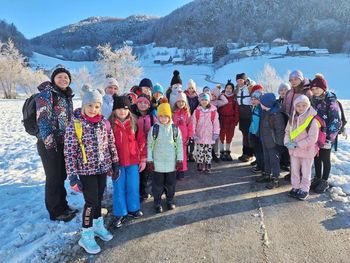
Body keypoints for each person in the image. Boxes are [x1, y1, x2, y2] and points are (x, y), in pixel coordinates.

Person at [64, 84, 118, 254]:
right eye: (90, 106)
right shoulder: (76, 124)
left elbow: (111, 144)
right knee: (91, 202)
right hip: (86, 171)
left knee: (99, 198)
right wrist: (73, 176)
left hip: (102, 168)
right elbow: (70, 151)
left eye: (97, 106)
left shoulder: (103, 123)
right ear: (83, 105)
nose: (93, 109)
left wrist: (114, 163)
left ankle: (97, 225)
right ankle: (86, 235)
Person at [36, 68, 76, 222]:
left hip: (63, 143)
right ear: (53, 79)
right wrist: (50, 145)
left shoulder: (66, 96)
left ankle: (63, 205)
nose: (63, 79)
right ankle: (55, 211)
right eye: (59, 77)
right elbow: (43, 121)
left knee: (61, 176)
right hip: (49, 144)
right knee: (53, 178)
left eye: (66, 77)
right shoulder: (46, 94)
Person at [110, 95, 144, 228]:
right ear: (114, 110)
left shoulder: (134, 123)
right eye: (119, 109)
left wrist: (143, 158)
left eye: (125, 109)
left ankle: (133, 208)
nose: (122, 111)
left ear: (128, 110)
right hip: (117, 163)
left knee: (133, 186)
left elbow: (141, 141)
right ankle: (120, 212)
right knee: (119, 188)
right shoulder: (110, 124)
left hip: (133, 161)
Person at [147, 98, 183, 213]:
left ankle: (170, 200)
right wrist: (150, 160)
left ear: (169, 116)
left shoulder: (175, 129)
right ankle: (157, 202)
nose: (163, 119)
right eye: (161, 116)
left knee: (170, 184)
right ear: (158, 116)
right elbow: (149, 145)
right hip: (157, 163)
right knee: (157, 185)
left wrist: (179, 159)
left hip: (171, 163)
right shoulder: (154, 129)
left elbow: (179, 145)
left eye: (166, 116)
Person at [310, 74, 342, 193]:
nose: (315, 91)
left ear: (323, 88)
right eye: (312, 89)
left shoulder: (330, 99)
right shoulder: (313, 99)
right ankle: (317, 178)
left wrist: (329, 138)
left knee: (325, 158)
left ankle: (324, 181)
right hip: (316, 134)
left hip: (327, 135)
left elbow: (335, 120)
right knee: (316, 157)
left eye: (317, 88)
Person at [284, 95, 320, 200]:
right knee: (294, 170)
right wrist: (286, 142)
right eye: (298, 106)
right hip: (294, 151)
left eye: (303, 105)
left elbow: (312, 138)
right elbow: (287, 132)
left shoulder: (312, 120)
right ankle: (295, 187)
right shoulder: (292, 120)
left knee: (306, 172)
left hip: (306, 151)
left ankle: (304, 189)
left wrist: (298, 144)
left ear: (308, 106)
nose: (301, 108)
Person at [256, 93, 285, 189]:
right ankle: (267, 174)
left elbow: (280, 131)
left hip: (274, 143)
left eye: (262, 103)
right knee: (266, 159)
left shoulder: (277, 115)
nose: (260, 104)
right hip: (265, 140)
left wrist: (279, 144)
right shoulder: (264, 111)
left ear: (267, 104)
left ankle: (275, 178)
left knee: (274, 161)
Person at [134, 94, 155, 201]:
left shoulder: (151, 117)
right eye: (140, 102)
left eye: (145, 103)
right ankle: (138, 191)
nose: (142, 105)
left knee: (147, 171)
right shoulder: (133, 116)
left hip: (148, 148)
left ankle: (145, 192)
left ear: (149, 105)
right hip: (135, 148)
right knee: (138, 171)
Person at [192, 93, 220, 172]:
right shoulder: (196, 111)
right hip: (199, 135)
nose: (204, 101)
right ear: (200, 101)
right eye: (202, 100)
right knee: (200, 151)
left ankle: (208, 163)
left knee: (208, 151)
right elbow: (193, 123)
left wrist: (216, 133)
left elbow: (216, 123)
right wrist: (193, 134)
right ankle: (200, 163)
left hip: (209, 135)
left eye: (206, 100)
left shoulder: (213, 111)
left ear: (209, 101)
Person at [172, 92, 193, 180]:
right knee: (174, 154)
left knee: (183, 155)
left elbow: (190, 125)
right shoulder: (173, 113)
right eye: (179, 101)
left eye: (182, 101)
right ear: (176, 102)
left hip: (184, 138)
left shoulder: (187, 113)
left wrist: (189, 136)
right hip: (174, 137)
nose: (181, 103)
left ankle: (181, 171)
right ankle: (175, 170)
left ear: (185, 103)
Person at [235, 73, 254, 162]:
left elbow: (257, 90)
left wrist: (251, 84)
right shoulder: (237, 89)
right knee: (244, 135)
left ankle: (250, 154)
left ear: (245, 80)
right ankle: (245, 153)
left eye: (241, 80)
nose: (239, 82)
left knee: (250, 135)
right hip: (241, 116)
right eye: (238, 81)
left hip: (249, 115)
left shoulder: (249, 87)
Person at [218, 81, 239, 161]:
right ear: (225, 88)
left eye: (230, 88)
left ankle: (228, 152)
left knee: (229, 137)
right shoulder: (221, 97)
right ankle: (222, 152)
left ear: (232, 89)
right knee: (221, 136)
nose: (228, 89)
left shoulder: (234, 98)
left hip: (231, 119)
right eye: (227, 88)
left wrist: (235, 121)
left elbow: (236, 110)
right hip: (222, 119)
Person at [248, 90, 264, 174]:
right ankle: (259, 164)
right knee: (256, 150)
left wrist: (259, 132)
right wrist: (250, 130)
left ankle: (262, 166)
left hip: (259, 134)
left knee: (260, 151)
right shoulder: (254, 107)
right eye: (252, 99)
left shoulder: (261, 109)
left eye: (255, 99)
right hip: (253, 132)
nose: (253, 101)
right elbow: (253, 121)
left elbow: (262, 122)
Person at [184, 79, 199, 162]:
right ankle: (185, 153)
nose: (191, 90)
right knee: (186, 136)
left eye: (192, 88)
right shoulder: (184, 95)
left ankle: (191, 154)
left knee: (192, 136)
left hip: (194, 118)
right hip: (186, 117)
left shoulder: (197, 97)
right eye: (189, 88)